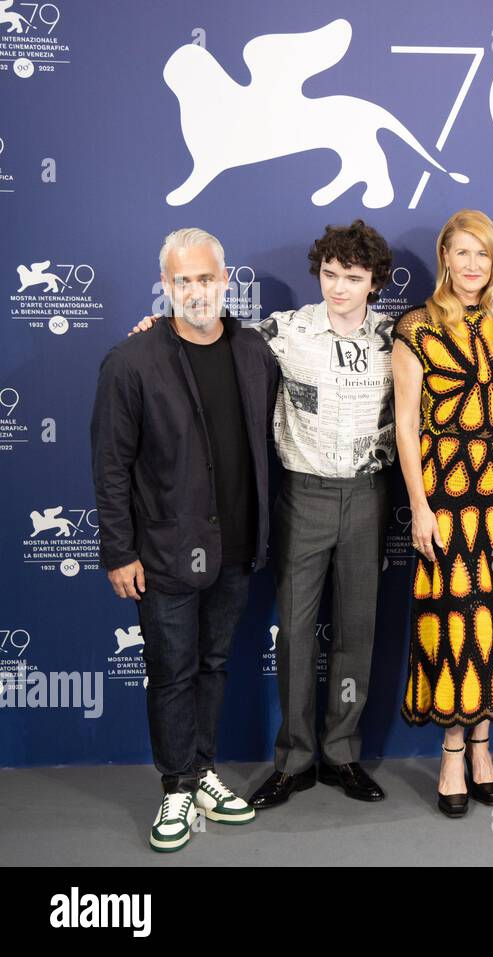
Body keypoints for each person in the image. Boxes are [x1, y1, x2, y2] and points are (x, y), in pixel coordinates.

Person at [132, 221, 399, 810]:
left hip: (368, 495)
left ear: (374, 282)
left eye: (352, 278)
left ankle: (343, 754)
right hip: (301, 495)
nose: (338, 288)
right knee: (297, 632)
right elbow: (204, 333)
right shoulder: (282, 332)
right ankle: (296, 760)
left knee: (357, 630)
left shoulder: (398, 337)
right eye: (329, 274)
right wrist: (157, 329)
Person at [92, 227, 278, 851]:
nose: (195, 291)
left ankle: (203, 772)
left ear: (226, 281)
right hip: (166, 549)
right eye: (182, 281)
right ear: (165, 286)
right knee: (171, 671)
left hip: (236, 546)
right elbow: (111, 464)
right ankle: (175, 786)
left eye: (205, 278)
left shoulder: (254, 351)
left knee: (214, 664)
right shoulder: (132, 360)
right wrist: (118, 550)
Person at [392, 209, 493, 818]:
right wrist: (418, 505)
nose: (471, 266)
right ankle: (452, 752)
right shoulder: (417, 328)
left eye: (482, 255)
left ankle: (484, 748)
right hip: (448, 493)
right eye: (461, 253)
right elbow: (406, 427)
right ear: (444, 257)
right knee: (457, 617)